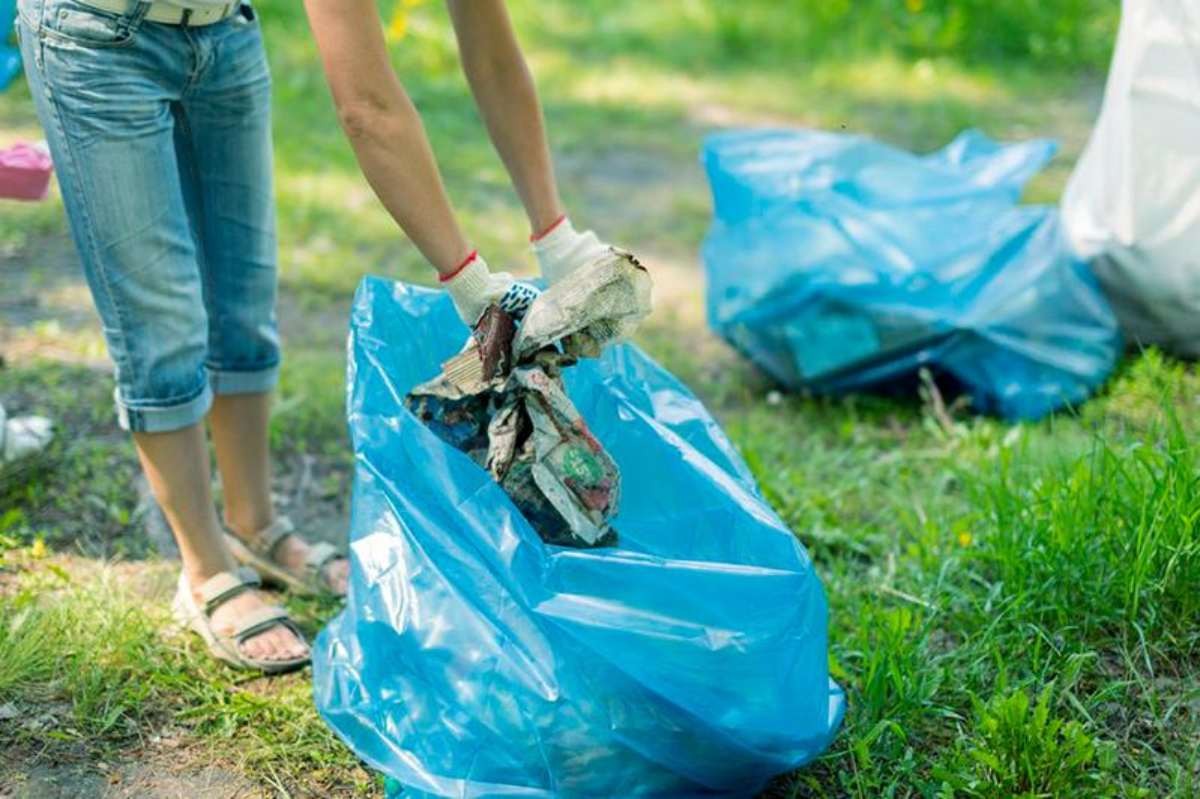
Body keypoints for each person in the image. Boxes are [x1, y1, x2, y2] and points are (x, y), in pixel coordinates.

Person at [16, 0, 638, 673]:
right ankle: (204, 569)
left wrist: (559, 238)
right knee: (162, 320)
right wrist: (472, 287)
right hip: (93, 36)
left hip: (223, 30)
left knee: (244, 297)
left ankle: (253, 526)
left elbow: (489, 50)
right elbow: (367, 107)